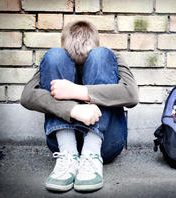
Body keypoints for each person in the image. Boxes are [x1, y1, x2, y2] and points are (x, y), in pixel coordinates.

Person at [20, 20, 139, 192]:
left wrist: (78, 91)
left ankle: (91, 154)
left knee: (102, 55)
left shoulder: (110, 57)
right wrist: (73, 109)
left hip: (106, 143)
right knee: (54, 56)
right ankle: (68, 156)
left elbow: (132, 95)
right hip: (63, 144)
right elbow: (27, 96)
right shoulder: (60, 58)